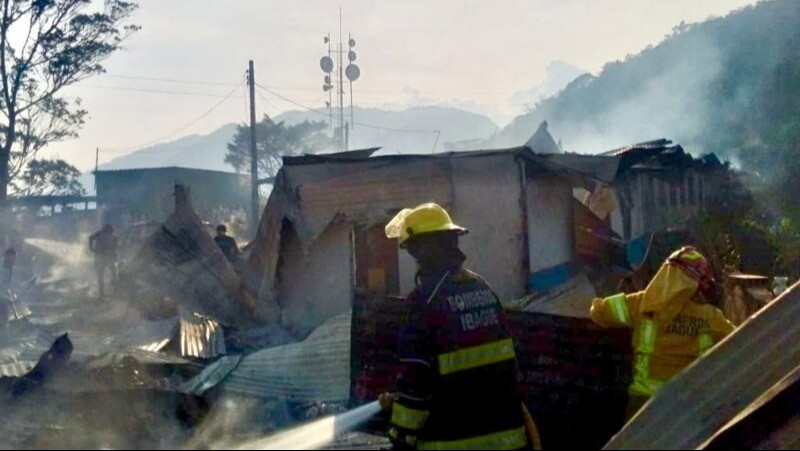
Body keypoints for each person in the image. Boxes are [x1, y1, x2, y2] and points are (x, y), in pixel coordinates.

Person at [381, 202, 532, 450]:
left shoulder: (424, 302)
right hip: (509, 440)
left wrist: (400, 437)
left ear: (422, 251)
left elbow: (416, 383)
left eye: (414, 252)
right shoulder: (484, 290)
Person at [590, 246, 736, 419]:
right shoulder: (710, 316)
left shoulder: (641, 303)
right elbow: (739, 341)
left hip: (642, 403)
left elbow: (598, 312)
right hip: (686, 404)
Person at [89, 224, 118, 298]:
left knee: (101, 275)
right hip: (105, 257)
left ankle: (104, 293)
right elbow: (115, 249)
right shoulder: (113, 237)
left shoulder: (102, 234)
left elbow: (91, 238)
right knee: (113, 274)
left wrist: (92, 249)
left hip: (101, 257)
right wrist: (91, 248)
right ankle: (113, 292)